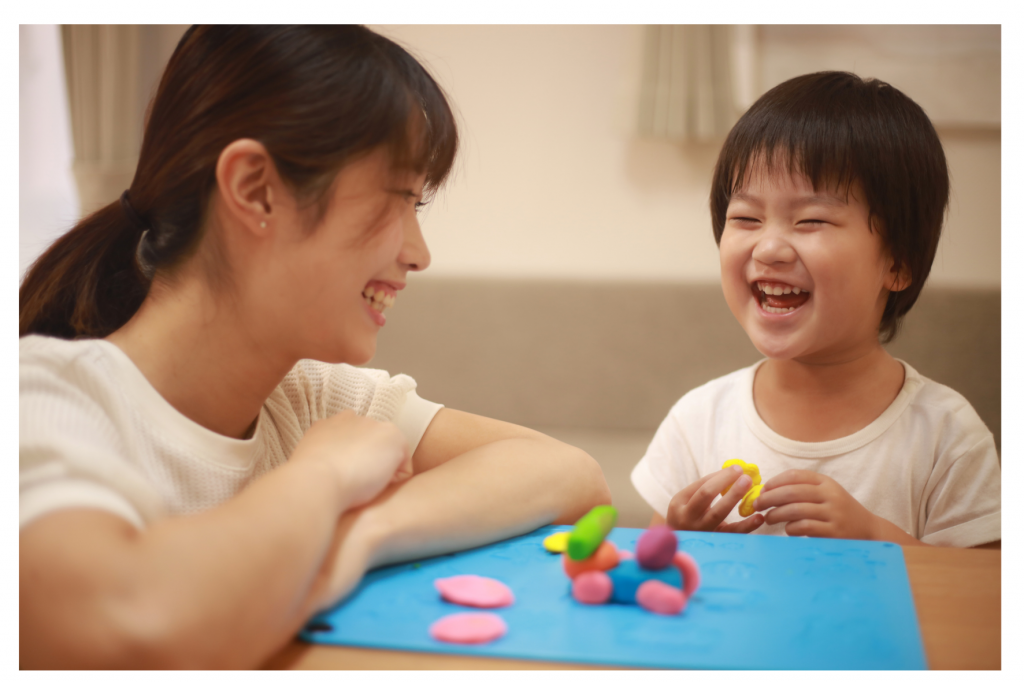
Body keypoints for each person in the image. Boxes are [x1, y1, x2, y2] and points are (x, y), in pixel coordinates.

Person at [19, 25, 610, 669]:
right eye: (399, 200)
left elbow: (569, 475)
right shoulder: (45, 398)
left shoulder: (309, 398)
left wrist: (356, 536)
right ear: (255, 190)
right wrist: (324, 477)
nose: (419, 253)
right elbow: (129, 623)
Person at [630, 71, 1000, 549]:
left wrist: (876, 537)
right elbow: (655, 574)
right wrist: (680, 538)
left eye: (811, 220)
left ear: (898, 263)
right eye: (746, 218)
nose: (769, 248)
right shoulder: (699, 420)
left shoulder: (947, 436)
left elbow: (983, 599)